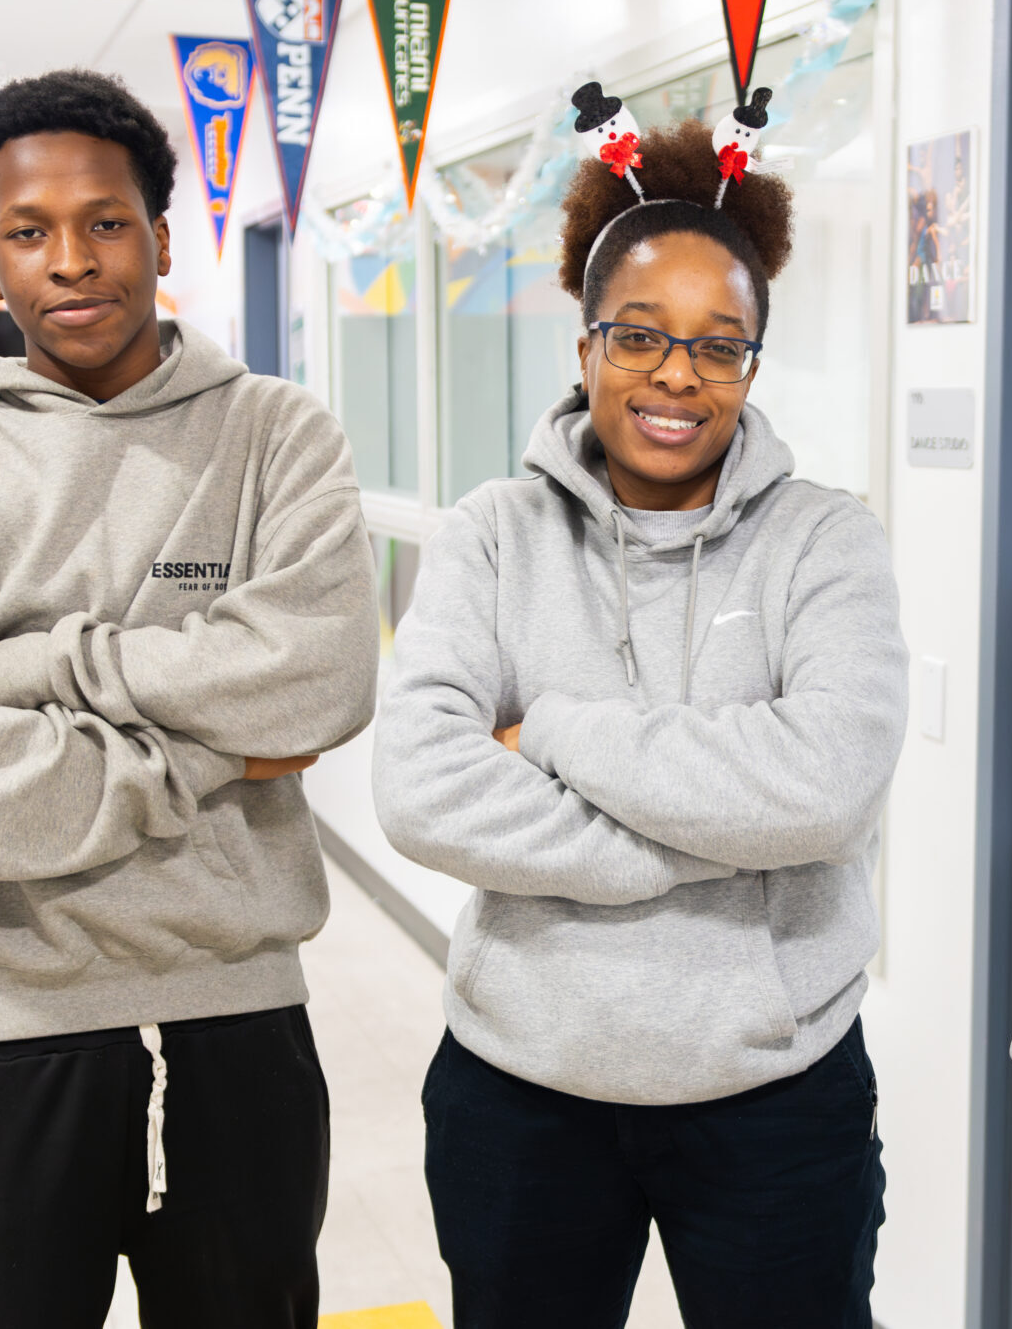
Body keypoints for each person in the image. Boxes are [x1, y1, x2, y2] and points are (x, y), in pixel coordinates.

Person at [0, 68, 379, 1329]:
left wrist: (33, 670)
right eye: (30, 231)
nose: (69, 260)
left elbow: (322, 673)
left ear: (161, 235)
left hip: (238, 1026)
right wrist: (212, 756)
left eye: (105, 221)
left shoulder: (276, 436)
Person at [373, 109, 909, 1328]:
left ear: (754, 367)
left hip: (776, 1090)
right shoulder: (489, 538)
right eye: (641, 337)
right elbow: (417, 784)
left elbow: (824, 789)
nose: (677, 375)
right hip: (521, 1088)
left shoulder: (826, 541)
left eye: (721, 347)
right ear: (585, 344)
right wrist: (728, 835)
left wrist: (554, 727)